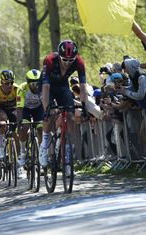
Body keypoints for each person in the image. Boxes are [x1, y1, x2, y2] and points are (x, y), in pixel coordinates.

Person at [39, 39, 88, 167]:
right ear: (59, 56)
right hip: (47, 86)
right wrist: (46, 110)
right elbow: (45, 89)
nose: (67, 63)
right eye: (64, 60)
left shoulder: (79, 62)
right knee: (50, 115)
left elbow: (83, 87)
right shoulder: (49, 60)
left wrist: (84, 106)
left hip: (62, 87)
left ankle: (67, 155)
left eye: (70, 60)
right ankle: (44, 146)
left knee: (71, 117)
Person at [16, 69, 43, 166]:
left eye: (37, 84)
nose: (36, 87)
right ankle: (23, 152)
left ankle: (41, 153)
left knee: (40, 128)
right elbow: (19, 108)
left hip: (38, 108)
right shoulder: (22, 89)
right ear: (28, 83)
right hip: (25, 109)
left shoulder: (43, 87)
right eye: (33, 84)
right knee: (25, 127)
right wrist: (19, 122)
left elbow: (46, 103)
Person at [0, 70, 19, 159]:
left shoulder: (16, 89)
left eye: (11, 82)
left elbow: (20, 106)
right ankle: (1, 146)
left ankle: (18, 157)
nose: (9, 85)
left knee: (16, 134)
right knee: (3, 120)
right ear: (1, 82)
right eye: (7, 83)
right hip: (1, 110)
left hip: (12, 109)